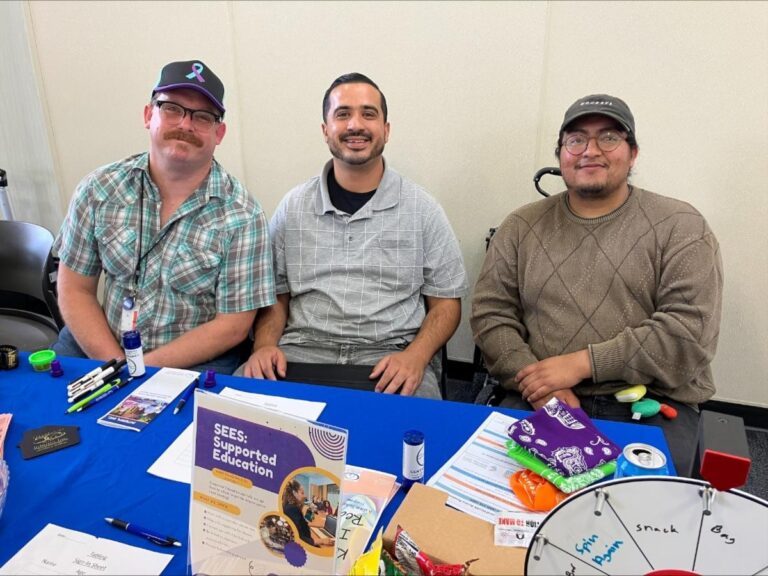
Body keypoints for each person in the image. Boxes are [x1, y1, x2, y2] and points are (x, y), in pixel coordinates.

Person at [471, 94, 723, 476]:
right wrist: (540, 384)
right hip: (539, 397)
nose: (590, 150)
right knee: (497, 496)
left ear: (633, 153)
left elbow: (689, 333)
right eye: (576, 139)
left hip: (649, 404)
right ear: (561, 154)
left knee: (634, 504)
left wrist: (581, 364)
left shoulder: (681, 226)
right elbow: (491, 315)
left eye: (608, 137)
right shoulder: (521, 226)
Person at [238, 73, 467, 398]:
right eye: (342, 114)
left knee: (421, 426)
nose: (355, 125)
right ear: (325, 130)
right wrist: (263, 346)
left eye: (368, 114)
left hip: (391, 356)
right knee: (229, 409)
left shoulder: (423, 209)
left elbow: (446, 303)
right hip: (300, 352)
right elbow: (275, 294)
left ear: (386, 129)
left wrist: (416, 357)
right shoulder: (294, 206)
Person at [52, 60, 275, 374]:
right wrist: (115, 363)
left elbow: (233, 326)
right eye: (171, 108)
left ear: (219, 132)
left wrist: (138, 370)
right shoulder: (99, 189)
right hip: (98, 348)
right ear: (148, 115)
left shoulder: (243, 215)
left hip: (193, 362)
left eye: (202, 116)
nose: (185, 124)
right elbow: (75, 289)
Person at [282, 480, 333, 548]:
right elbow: (299, 537)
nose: (304, 496)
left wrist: (319, 526)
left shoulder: (290, 507)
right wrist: (322, 541)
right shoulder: (292, 509)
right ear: (294, 493)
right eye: (302, 493)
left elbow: (301, 524)